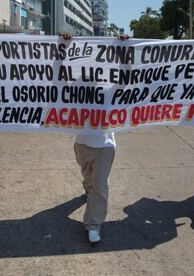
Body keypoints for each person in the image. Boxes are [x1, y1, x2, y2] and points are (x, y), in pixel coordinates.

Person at [60, 32, 128, 243]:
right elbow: (57, 77)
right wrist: (62, 47)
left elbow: (125, 80)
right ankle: (87, 190)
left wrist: (123, 51)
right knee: (89, 179)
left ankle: (93, 224)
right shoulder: (73, 90)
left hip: (105, 146)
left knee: (100, 185)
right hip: (81, 145)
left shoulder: (108, 91)